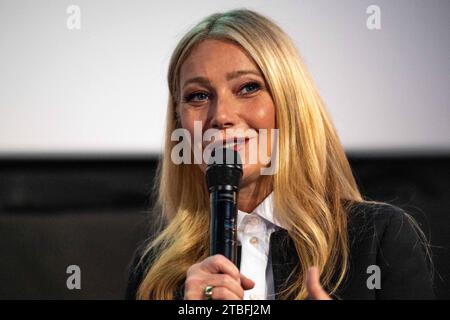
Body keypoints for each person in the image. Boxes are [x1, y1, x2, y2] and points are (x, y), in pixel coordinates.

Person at [125, 9, 434, 300]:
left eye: (248, 88)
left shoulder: (379, 239)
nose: (221, 115)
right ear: (179, 120)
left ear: (290, 102)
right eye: (198, 96)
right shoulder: (155, 272)